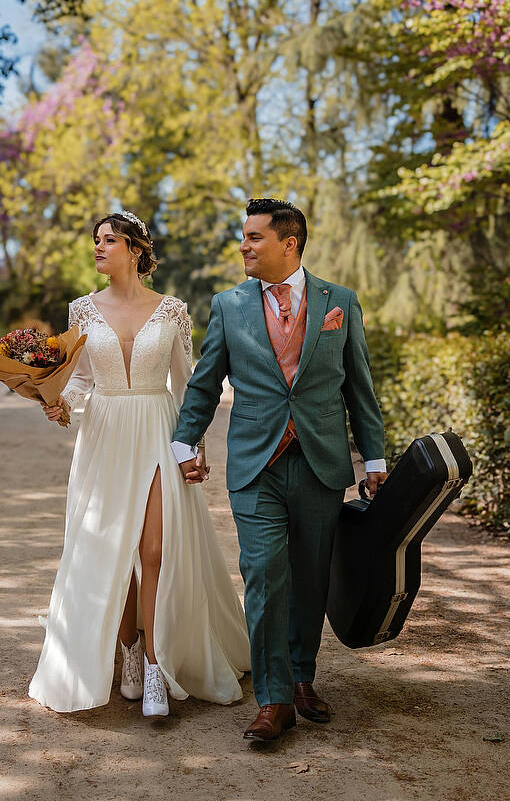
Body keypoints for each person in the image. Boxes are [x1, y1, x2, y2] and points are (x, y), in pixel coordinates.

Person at [170, 198, 388, 742]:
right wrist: (183, 442)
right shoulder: (229, 305)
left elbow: (359, 387)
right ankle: (271, 700)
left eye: (253, 237)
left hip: (319, 464)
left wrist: (374, 457)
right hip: (255, 464)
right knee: (265, 575)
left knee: (310, 580)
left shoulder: (340, 302)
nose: (243, 245)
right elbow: (203, 381)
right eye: (243, 237)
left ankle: (301, 679)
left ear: (289, 243)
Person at [28, 212, 250, 717]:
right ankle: (127, 652)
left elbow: (188, 384)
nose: (99, 248)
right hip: (105, 435)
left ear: (134, 249)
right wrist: (60, 401)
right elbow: (81, 380)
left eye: (109, 240)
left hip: (157, 427)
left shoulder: (171, 311)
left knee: (154, 548)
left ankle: (155, 666)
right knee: (114, 548)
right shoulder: (81, 310)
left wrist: (192, 446)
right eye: (96, 241)